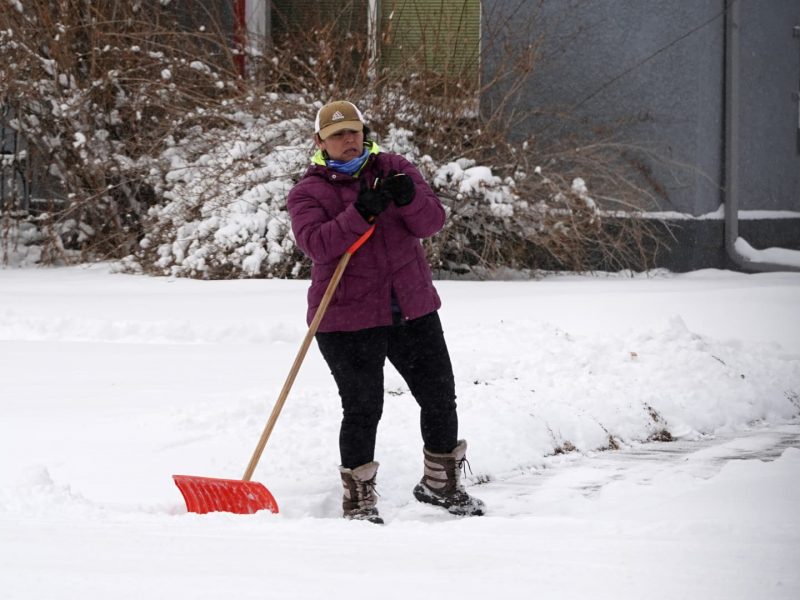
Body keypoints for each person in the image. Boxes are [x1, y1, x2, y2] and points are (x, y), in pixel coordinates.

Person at [286, 100, 485, 524]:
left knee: (438, 395)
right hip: (345, 318)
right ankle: (359, 501)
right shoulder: (308, 192)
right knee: (363, 407)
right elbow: (317, 244)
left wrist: (409, 198)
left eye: (354, 131)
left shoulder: (393, 167)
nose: (348, 139)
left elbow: (431, 222)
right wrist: (361, 212)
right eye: (338, 133)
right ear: (319, 141)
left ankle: (440, 485)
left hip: (410, 308)